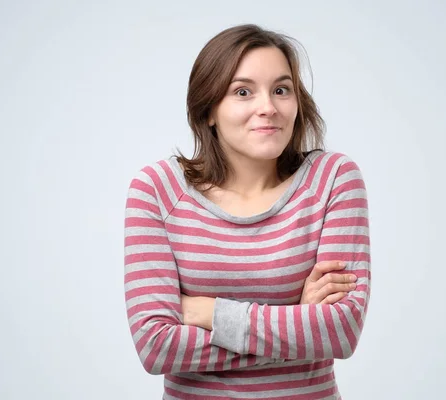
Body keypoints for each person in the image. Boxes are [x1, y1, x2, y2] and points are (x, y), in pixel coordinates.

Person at [123, 23, 371, 399]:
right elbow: (156, 347)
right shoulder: (158, 190)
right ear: (209, 109)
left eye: (281, 90)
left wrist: (207, 313)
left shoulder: (332, 179)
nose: (268, 108)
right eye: (242, 91)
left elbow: (340, 332)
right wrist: (296, 330)